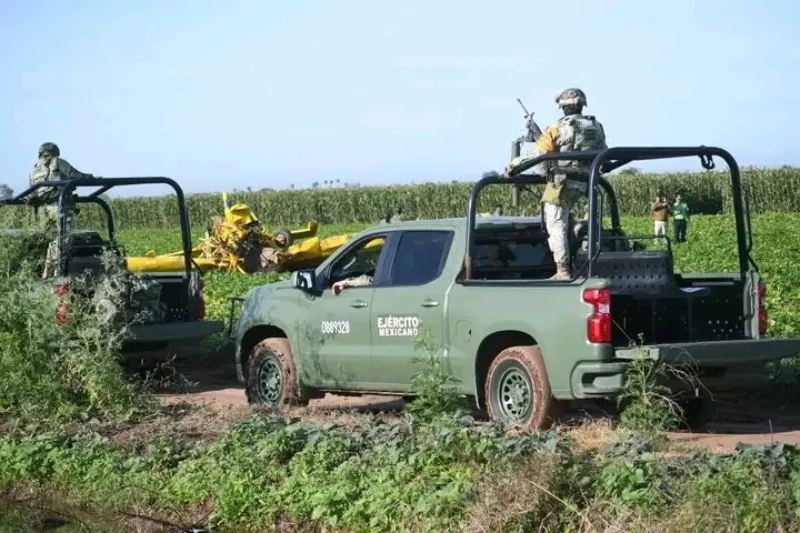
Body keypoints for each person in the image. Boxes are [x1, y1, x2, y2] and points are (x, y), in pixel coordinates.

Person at [505, 88, 608, 280]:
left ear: (563, 107)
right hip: (585, 183)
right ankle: (577, 229)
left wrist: (513, 165)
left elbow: (538, 155)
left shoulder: (557, 128)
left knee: (555, 224)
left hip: (561, 184)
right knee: (566, 218)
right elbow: (604, 153)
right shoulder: (596, 127)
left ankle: (563, 270)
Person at [27, 142, 94, 277]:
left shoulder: (34, 170)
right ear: (55, 152)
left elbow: (32, 195)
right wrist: (91, 178)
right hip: (60, 207)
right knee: (64, 240)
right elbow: (74, 175)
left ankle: (47, 274)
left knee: (54, 240)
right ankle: (58, 274)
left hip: (44, 211)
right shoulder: (57, 162)